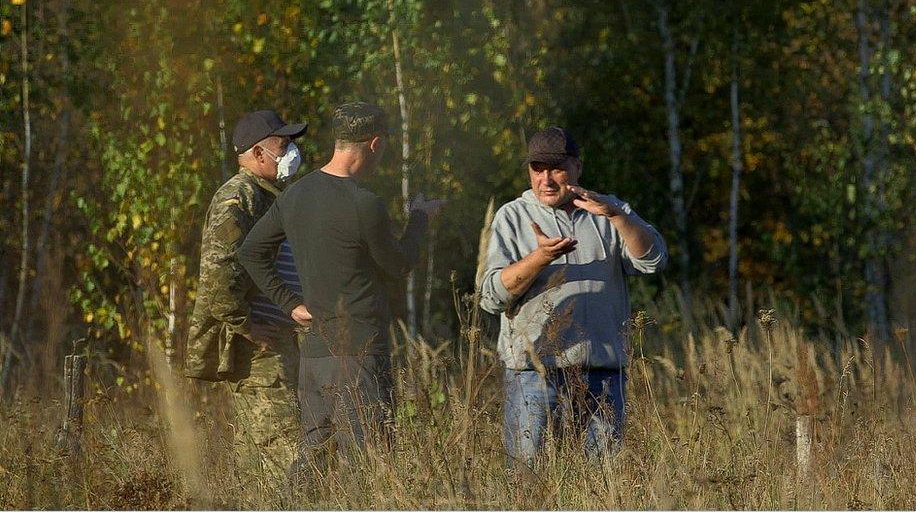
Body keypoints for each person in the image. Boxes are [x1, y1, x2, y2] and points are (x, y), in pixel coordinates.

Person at [239, 101, 443, 458]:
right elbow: (397, 266)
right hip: (360, 354)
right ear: (375, 144)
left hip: (315, 355)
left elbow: (251, 252)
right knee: (368, 462)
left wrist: (290, 304)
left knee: (312, 462)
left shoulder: (295, 194)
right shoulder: (364, 203)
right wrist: (420, 221)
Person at [479, 127, 668, 466]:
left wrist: (616, 216)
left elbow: (653, 260)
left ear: (578, 167)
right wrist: (539, 259)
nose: (546, 179)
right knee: (528, 482)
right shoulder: (512, 216)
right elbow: (491, 296)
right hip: (533, 374)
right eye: (538, 168)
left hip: (603, 374)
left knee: (600, 485)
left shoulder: (609, 211)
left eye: (557, 168)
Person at [184, 109, 308, 486]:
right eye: (283, 146)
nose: (291, 154)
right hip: (259, 352)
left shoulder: (265, 196)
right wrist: (249, 327)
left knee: (261, 463)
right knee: (282, 457)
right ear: (258, 154)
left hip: (273, 344)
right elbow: (217, 278)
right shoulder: (238, 198)